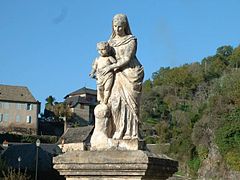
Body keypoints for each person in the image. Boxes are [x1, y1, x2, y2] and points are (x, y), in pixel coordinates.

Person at [101, 14, 144, 140]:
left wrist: (111, 67)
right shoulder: (110, 42)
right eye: (115, 26)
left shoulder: (131, 40)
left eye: (120, 26)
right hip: (116, 74)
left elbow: (127, 58)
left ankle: (130, 133)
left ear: (125, 26)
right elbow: (104, 57)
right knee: (114, 102)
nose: (117, 29)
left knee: (129, 105)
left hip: (130, 73)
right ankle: (117, 129)